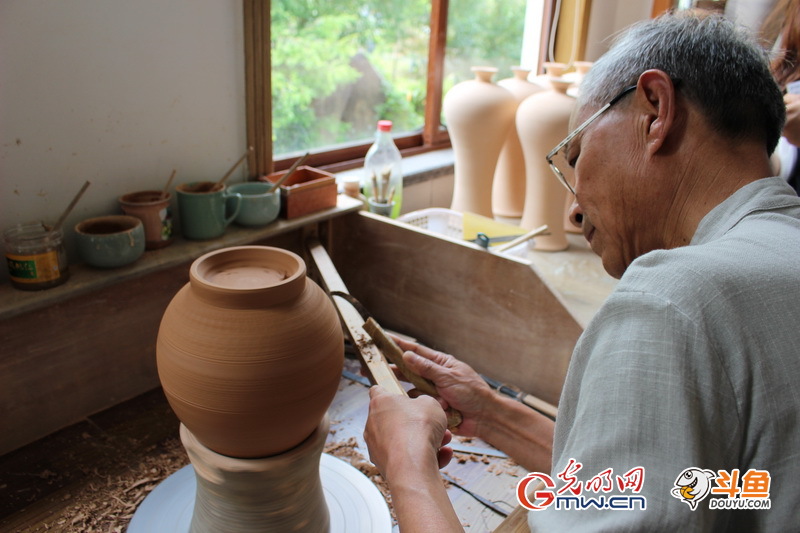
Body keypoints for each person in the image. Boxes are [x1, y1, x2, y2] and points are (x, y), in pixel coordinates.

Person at [364, 11, 800, 532]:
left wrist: (406, 466)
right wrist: (491, 413)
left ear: (656, 111)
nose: (573, 210)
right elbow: (705, 490)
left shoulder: (675, 299)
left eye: (575, 156)